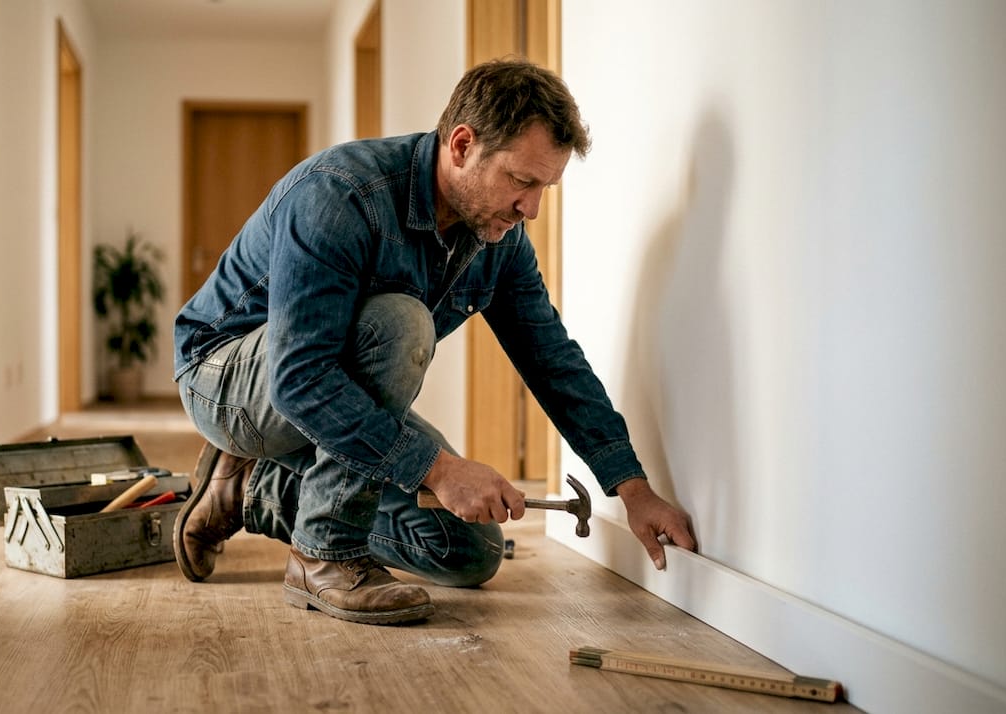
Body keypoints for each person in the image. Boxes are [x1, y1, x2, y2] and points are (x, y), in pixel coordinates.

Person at [171, 58, 696, 626]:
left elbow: (552, 359)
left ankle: (251, 487)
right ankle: (323, 556)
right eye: (522, 181)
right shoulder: (339, 195)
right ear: (463, 145)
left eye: (545, 187)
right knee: (402, 324)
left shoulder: (500, 238)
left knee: (469, 551)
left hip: (316, 392)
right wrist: (439, 469)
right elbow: (299, 379)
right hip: (225, 378)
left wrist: (633, 489)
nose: (532, 209)